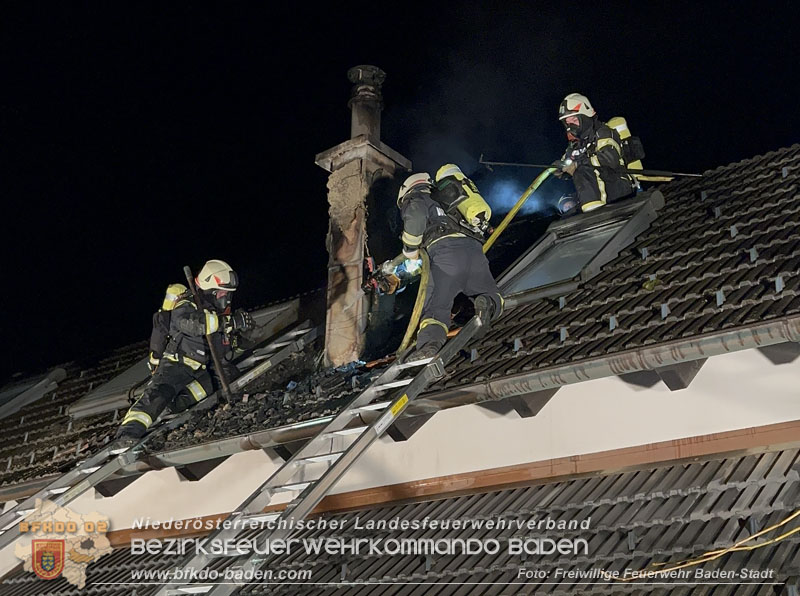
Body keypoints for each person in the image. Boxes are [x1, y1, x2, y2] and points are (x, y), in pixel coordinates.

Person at [110, 259, 254, 450]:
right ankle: (128, 432)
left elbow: (224, 348)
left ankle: (173, 407)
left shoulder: (218, 314)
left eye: (228, 295)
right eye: (223, 293)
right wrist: (229, 323)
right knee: (160, 392)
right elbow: (191, 324)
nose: (226, 299)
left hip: (202, 367)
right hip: (178, 363)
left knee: (228, 374)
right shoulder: (188, 304)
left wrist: (243, 340)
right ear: (210, 291)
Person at [389, 167, 503, 361]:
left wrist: (410, 250)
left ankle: (429, 347)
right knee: (491, 294)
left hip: (445, 254)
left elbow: (415, 219)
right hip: (475, 252)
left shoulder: (416, 196)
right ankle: (488, 304)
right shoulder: (448, 196)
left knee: (435, 307)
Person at [555, 93, 637, 213]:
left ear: (585, 116)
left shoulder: (603, 132)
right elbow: (567, 162)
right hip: (598, 192)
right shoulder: (575, 145)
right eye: (567, 122)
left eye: (574, 120)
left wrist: (577, 165)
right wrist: (559, 169)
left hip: (618, 186)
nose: (570, 126)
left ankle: (595, 213)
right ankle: (591, 214)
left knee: (582, 170)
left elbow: (609, 159)